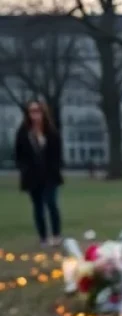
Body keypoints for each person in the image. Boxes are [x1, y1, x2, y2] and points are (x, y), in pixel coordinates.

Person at [15, 100, 63, 247]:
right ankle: (43, 237)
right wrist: (25, 169)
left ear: (43, 112)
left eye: (37, 111)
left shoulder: (51, 132)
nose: (35, 115)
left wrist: (55, 168)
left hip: (50, 176)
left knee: (51, 203)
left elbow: (57, 153)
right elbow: (19, 154)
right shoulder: (23, 133)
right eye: (32, 111)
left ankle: (56, 235)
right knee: (38, 207)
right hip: (32, 177)